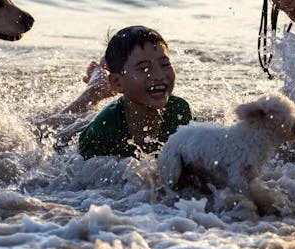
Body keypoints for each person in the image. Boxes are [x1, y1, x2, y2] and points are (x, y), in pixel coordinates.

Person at [48, 26, 192, 159]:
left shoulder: (179, 111)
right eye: (144, 68)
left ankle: (101, 81)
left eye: (165, 64)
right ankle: (95, 89)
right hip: (83, 130)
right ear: (118, 82)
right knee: (56, 130)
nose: (159, 75)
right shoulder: (101, 133)